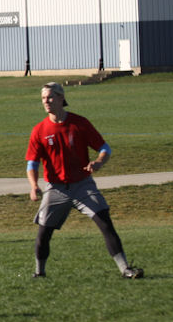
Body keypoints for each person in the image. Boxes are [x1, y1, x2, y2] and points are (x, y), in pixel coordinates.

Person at [25, 82, 143, 279]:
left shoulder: (79, 123)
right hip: (56, 189)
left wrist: (99, 162)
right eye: (43, 98)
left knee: (105, 222)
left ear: (61, 98)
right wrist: (34, 185)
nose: (46, 101)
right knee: (44, 233)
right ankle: (39, 273)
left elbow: (105, 148)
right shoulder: (39, 130)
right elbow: (32, 163)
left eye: (50, 97)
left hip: (83, 185)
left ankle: (125, 270)